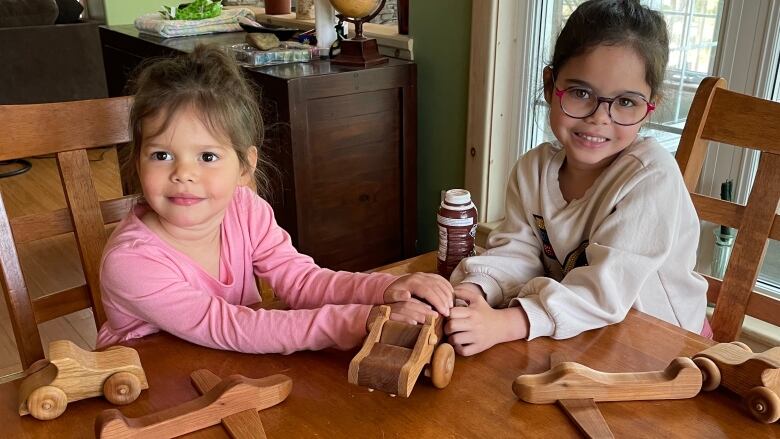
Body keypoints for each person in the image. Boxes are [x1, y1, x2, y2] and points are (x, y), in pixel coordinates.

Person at [97, 45, 453, 354]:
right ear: (137, 160)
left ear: (244, 166)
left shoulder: (245, 209)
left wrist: (387, 289)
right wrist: (362, 320)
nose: (183, 173)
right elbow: (228, 326)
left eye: (207, 157)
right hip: (147, 392)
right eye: (161, 155)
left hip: (228, 371)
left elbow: (302, 281)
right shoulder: (131, 262)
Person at [445, 0, 709, 356]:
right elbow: (519, 253)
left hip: (661, 347)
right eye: (581, 93)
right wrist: (477, 289)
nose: (600, 118)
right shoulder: (533, 170)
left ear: (651, 107)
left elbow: (605, 291)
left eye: (627, 102)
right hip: (580, 334)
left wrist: (506, 324)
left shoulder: (651, 177)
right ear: (549, 83)